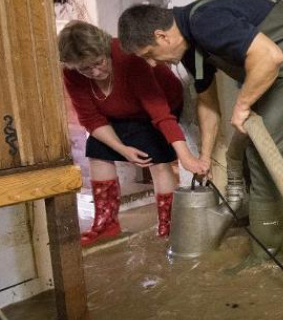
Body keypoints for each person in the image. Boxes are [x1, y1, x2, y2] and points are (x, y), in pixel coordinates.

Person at [117, 0, 283, 257]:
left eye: (149, 54)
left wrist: (242, 105)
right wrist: (203, 157)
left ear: (162, 36)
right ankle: (268, 226)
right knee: (248, 151)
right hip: (275, 73)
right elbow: (207, 102)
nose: (152, 63)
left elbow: (270, 56)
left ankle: (266, 253)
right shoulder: (190, 48)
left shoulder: (205, 20)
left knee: (263, 156)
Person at [59, 21, 206, 247]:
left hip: (158, 103)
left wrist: (185, 156)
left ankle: (168, 223)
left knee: (156, 158)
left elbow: (159, 113)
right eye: (86, 69)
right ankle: (106, 223)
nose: (95, 72)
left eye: (99, 63)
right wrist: (122, 149)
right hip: (116, 112)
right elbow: (91, 118)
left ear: (105, 49)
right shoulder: (73, 74)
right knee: (98, 151)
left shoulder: (128, 57)